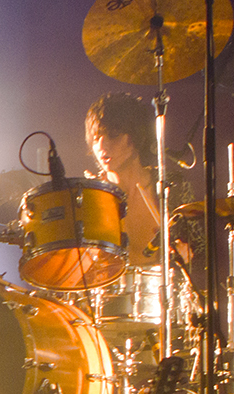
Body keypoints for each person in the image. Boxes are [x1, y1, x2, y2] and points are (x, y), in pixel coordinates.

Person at [83, 92, 204, 275]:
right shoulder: (89, 196)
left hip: (164, 290)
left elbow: (201, 248)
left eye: (113, 135)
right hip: (109, 291)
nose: (101, 145)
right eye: (96, 138)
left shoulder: (172, 186)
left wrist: (187, 252)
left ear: (137, 136)